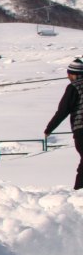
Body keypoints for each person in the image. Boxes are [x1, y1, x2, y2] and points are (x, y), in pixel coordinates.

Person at [43, 57, 83, 190]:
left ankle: (79, 192)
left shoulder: (73, 87)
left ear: (73, 74)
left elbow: (63, 110)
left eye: (69, 74)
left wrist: (49, 128)